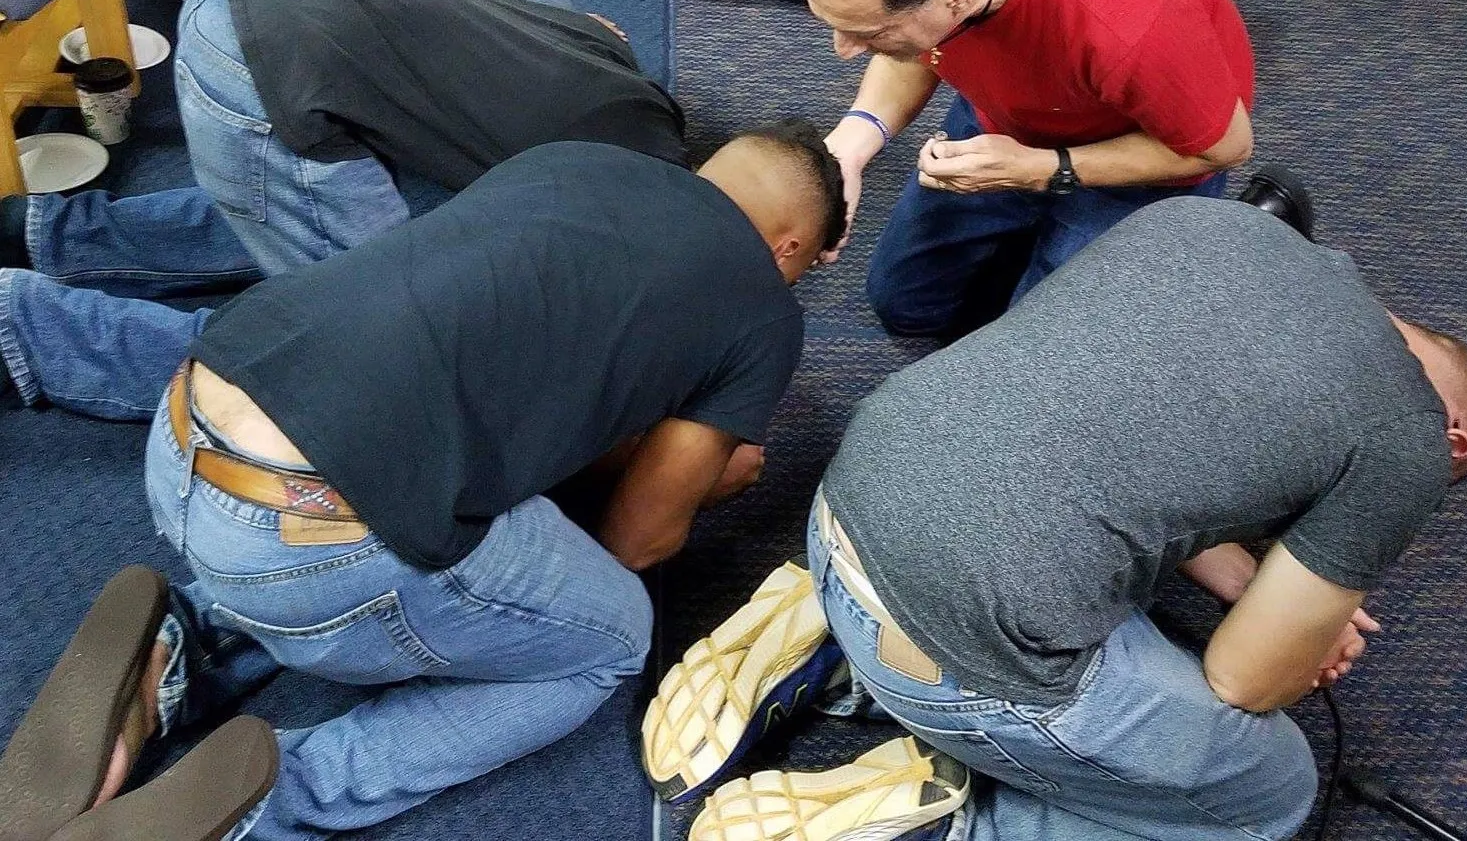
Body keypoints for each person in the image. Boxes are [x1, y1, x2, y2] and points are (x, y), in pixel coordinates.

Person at [0, 124, 845, 841]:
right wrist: (706, 480)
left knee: (417, 471)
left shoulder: (576, 159)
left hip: (188, 416)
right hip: (313, 536)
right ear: (788, 247)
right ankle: (272, 800)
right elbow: (638, 536)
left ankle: (171, 657)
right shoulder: (762, 304)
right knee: (610, 640)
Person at [669, 195, 1467, 841]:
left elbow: (1124, 440)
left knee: (1071, 548)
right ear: (1453, 437)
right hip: (947, 635)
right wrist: (1300, 636)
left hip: (845, 502)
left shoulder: (1218, 224)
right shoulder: (1411, 439)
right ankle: (946, 821)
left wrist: (1264, 579)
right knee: (1270, 786)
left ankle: (828, 637)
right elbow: (1243, 678)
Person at [0, 0, 688, 421]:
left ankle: (47, 234)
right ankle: (28, 325)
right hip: (269, 75)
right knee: (360, 347)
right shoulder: (619, 198)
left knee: (315, 198)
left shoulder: (613, 70)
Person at [791, 0, 1256, 339]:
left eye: (869, 34)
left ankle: (1239, 234)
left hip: (1147, 146)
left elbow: (1226, 146)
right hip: (1014, 108)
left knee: (1030, 359)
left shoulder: (1131, 26)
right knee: (904, 306)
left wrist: (1043, 170)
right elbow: (922, 47)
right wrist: (854, 141)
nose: (844, 51)